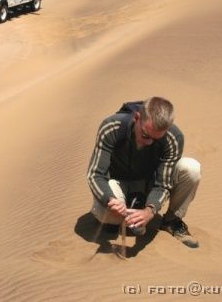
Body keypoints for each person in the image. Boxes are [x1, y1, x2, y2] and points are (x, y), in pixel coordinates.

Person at [86, 97, 201, 248]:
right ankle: (118, 216)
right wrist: (110, 200)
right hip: (118, 183)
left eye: (156, 139)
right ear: (137, 117)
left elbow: (163, 184)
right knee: (109, 216)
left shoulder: (173, 137)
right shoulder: (111, 127)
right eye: (146, 135)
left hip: (149, 184)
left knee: (191, 168)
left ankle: (171, 221)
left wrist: (150, 210)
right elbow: (95, 174)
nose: (149, 142)